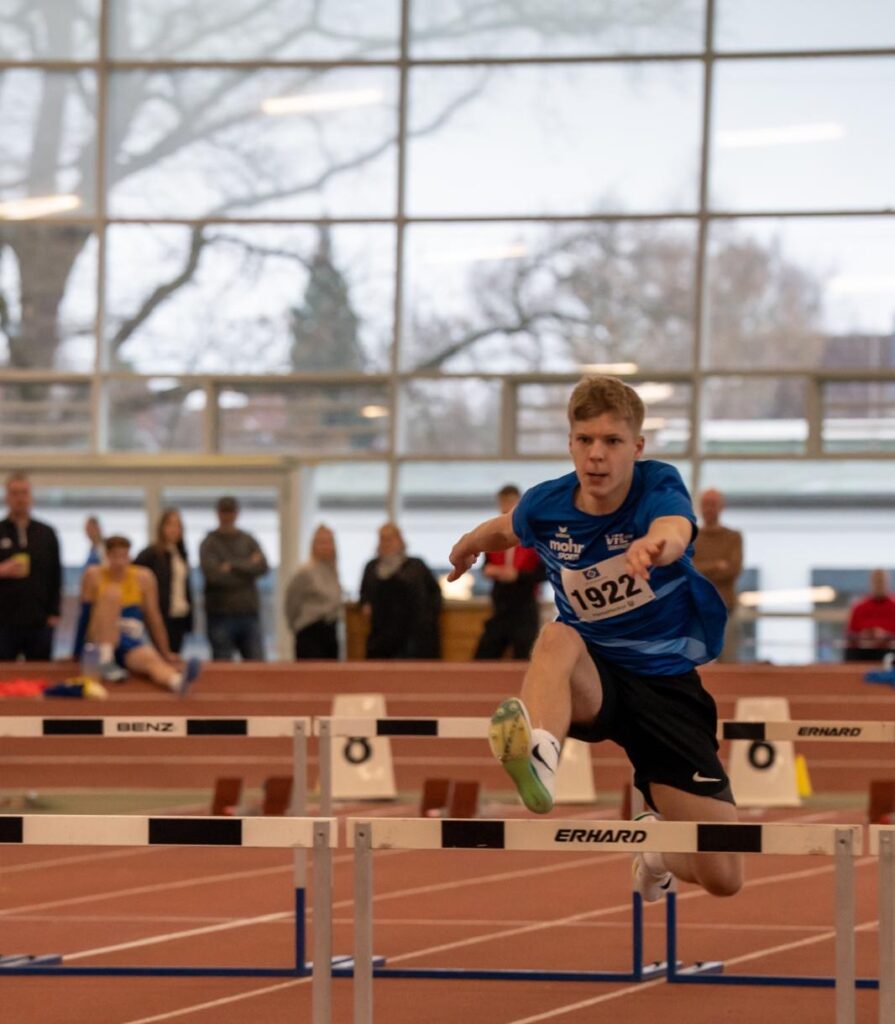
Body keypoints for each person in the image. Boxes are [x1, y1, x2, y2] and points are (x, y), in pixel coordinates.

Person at [448, 375, 741, 902]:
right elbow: (506, 527)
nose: (597, 456)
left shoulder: (658, 485)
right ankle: (539, 754)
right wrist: (468, 544)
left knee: (722, 876)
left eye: (611, 442)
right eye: (585, 441)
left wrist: (655, 545)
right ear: (570, 445)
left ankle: (655, 848)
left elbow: (675, 528)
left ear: (637, 447)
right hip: (595, 676)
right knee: (558, 637)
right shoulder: (548, 505)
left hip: (666, 691)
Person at [75, 535, 199, 694]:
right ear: (107, 556)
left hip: (129, 641)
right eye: (115, 557)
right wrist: (77, 652)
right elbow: (84, 615)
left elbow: (153, 617)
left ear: (130, 556)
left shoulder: (143, 577)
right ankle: (105, 659)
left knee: (152, 660)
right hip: (100, 640)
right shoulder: (93, 575)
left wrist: (165, 651)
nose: (120, 562)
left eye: (124, 556)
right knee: (112, 593)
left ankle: (176, 681)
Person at [474, 484, 545, 660]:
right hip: (501, 603)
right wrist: (489, 570)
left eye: (511, 501)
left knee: (524, 656)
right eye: (503, 502)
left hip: (525, 603)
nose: (507, 505)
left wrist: (517, 575)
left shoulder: (533, 535)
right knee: (484, 655)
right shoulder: (493, 534)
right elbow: (485, 565)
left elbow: (545, 573)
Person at [0, 471, 62, 661]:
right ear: (6, 497)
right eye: (15, 493)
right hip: (4, 621)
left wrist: (54, 612)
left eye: (24, 493)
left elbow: (56, 575)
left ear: (31, 496)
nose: (20, 498)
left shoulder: (46, 533)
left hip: (39, 621)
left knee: (40, 676)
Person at [200, 495, 268, 661]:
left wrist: (231, 566)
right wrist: (247, 568)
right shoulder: (210, 543)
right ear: (218, 514)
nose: (228, 516)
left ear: (237, 514)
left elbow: (262, 567)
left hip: (249, 613)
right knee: (223, 667)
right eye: (224, 512)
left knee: (257, 666)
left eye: (231, 512)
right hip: (220, 614)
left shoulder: (248, 540)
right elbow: (214, 576)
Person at [360, 522, 442, 659]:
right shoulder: (371, 567)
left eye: (390, 539)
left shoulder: (416, 566)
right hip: (383, 633)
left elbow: (435, 594)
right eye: (383, 540)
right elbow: (364, 595)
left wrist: (427, 619)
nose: (387, 544)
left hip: (414, 634)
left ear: (400, 540)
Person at [692, 488, 743, 663]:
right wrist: (716, 565)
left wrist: (702, 569)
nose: (709, 509)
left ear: (721, 507)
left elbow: (733, 570)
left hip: (726, 607)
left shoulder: (733, 537)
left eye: (713, 504)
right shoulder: (692, 538)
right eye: (705, 504)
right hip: (695, 608)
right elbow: (689, 570)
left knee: (728, 662)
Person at [134, 508, 194, 655]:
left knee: (175, 653)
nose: (174, 530)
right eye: (170, 525)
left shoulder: (180, 554)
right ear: (161, 528)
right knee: (161, 654)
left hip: (179, 613)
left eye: (178, 526)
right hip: (159, 614)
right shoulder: (150, 554)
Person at [284, 524, 343, 660]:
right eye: (321, 542)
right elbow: (291, 603)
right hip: (309, 631)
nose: (325, 546)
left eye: (328, 542)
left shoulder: (333, 572)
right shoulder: (305, 573)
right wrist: (297, 625)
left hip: (330, 630)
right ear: (313, 545)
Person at [845, 569, 895, 662]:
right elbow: (850, 635)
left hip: (889, 651)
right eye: (876, 581)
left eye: (881, 581)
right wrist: (864, 635)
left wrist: (886, 636)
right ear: (871, 583)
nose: (879, 585)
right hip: (864, 652)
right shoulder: (859, 607)